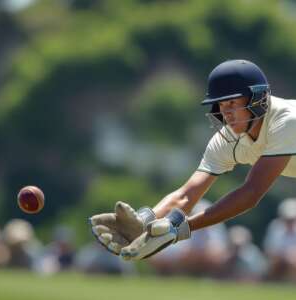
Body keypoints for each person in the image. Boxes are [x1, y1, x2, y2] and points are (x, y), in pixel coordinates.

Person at [89, 59, 296, 261]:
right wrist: (145, 221)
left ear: (257, 98)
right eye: (221, 104)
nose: (226, 113)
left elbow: (251, 193)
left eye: (232, 102)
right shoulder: (227, 139)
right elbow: (186, 195)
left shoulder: (286, 121)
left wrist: (180, 228)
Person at [263, 198, 296, 281]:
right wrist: (284, 257)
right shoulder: (275, 227)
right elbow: (269, 250)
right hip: (278, 262)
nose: (289, 221)